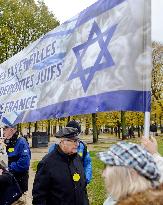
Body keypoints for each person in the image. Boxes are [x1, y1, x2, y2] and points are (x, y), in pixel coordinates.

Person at [32, 127, 89, 205]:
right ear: (62, 142)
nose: (77, 144)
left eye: (78, 141)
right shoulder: (47, 163)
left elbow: (82, 188)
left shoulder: (77, 158)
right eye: (74, 141)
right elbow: (39, 196)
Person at [49, 120, 92, 184]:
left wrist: (85, 179)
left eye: (77, 135)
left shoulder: (83, 147)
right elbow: (49, 166)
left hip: (79, 183)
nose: (76, 139)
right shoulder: (55, 147)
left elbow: (87, 163)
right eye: (72, 137)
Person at [3, 124, 31, 204]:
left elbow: (24, 163)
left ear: (12, 130)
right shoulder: (8, 141)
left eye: (5, 129)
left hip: (19, 185)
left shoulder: (21, 141)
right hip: (9, 183)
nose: (3, 131)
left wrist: (8, 168)